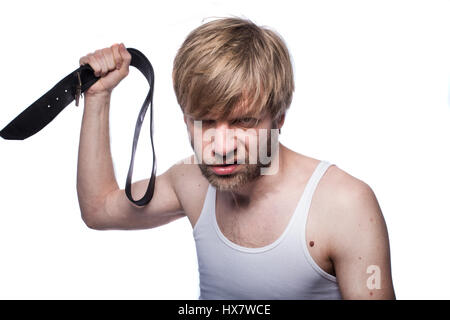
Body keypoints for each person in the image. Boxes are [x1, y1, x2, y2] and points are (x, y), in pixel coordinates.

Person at [76, 17, 395, 299]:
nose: (222, 146)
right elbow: (99, 209)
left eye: (244, 122)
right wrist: (98, 96)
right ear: (185, 117)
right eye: (206, 121)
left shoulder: (345, 204)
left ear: (279, 117)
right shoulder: (190, 182)